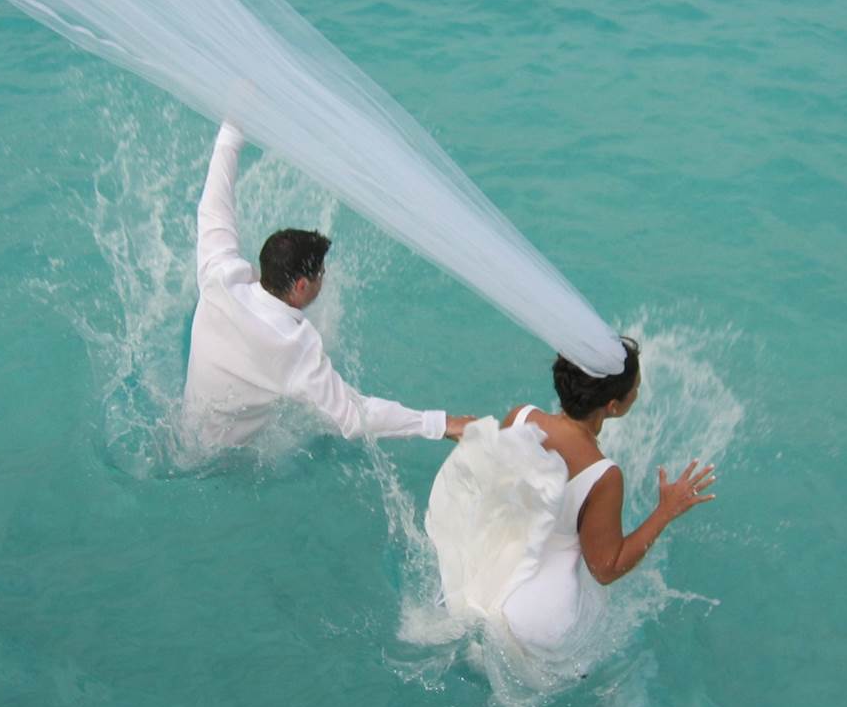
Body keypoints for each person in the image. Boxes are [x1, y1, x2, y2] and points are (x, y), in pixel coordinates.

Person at [181, 120, 473, 449]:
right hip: (223, 462)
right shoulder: (294, 345)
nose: (326, 278)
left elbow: (214, 208)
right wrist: (440, 424)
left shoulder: (221, 277)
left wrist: (232, 130)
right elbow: (353, 416)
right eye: (321, 274)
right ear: (302, 285)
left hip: (184, 435)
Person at [424, 337, 716, 657]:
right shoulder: (603, 475)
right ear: (614, 406)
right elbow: (606, 568)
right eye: (635, 387)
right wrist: (666, 510)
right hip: (535, 615)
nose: (638, 391)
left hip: (481, 570)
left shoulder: (522, 417)